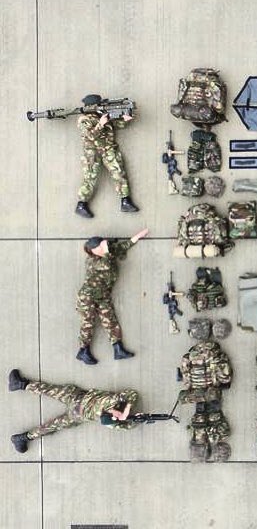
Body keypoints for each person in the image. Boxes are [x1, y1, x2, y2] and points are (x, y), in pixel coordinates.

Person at [8, 369, 140, 453]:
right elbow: (131, 394)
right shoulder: (111, 402)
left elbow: (124, 424)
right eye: (116, 414)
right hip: (76, 401)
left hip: (76, 410)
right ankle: (21, 385)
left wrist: (132, 418)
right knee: (50, 394)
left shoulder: (110, 414)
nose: (117, 414)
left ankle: (23, 437)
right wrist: (127, 412)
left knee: (50, 424)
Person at [75, 228, 148, 364]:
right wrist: (106, 250)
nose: (105, 246)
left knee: (110, 320)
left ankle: (118, 349)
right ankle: (83, 351)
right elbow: (107, 265)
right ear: (95, 250)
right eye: (101, 246)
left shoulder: (109, 252)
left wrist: (139, 236)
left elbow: (124, 246)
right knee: (88, 323)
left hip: (103, 295)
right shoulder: (92, 261)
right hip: (88, 297)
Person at [75, 94, 139, 218]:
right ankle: (81, 204)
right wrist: (100, 124)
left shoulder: (103, 115)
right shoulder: (83, 119)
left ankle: (125, 201)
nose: (100, 106)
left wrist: (126, 119)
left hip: (108, 149)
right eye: (98, 104)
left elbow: (117, 125)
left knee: (119, 173)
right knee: (90, 177)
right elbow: (90, 136)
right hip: (92, 152)